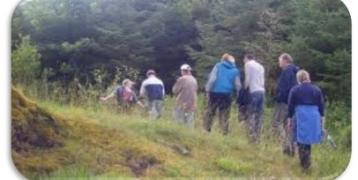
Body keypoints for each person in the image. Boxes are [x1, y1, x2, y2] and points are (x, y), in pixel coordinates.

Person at [287, 70, 325, 171]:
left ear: (298, 79)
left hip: (301, 115)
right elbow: (321, 106)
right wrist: (322, 121)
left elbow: (290, 106)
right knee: (307, 141)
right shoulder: (316, 89)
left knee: (301, 140)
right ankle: (306, 163)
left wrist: (289, 119)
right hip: (313, 117)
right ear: (308, 77)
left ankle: (304, 164)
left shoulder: (295, 89)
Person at [204, 53, 241, 135]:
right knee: (225, 114)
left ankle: (207, 130)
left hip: (215, 92)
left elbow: (212, 79)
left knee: (210, 112)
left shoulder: (218, 66)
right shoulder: (235, 70)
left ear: (223, 59)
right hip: (227, 94)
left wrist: (207, 89)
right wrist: (238, 95)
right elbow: (238, 85)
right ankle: (224, 132)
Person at [271, 53, 299, 156]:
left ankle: (286, 146)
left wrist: (278, 97)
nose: (279, 62)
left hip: (284, 102)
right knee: (288, 125)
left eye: (280, 60)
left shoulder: (287, 71)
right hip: (292, 103)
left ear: (285, 60)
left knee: (276, 123)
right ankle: (292, 149)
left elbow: (285, 87)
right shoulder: (295, 71)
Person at [243, 54, 265, 143]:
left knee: (251, 113)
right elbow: (263, 80)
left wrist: (245, 88)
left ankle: (251, 136)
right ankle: (258, 136)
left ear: (247, 58)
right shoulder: (261, 66)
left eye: (244, 59)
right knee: (259, 115)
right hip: (262, 91)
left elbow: (248, 78)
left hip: (254, 91)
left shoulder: (248, 65)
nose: (244, 61)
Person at [172, 64, 198, 128]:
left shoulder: (182, 79)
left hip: (181, 101)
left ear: (183, 71)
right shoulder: (194, 79)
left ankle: (180, 134)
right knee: (190, 120)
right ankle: (190, 134)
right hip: (192, 103)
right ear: (189, 71)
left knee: (178, 119)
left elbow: (175, 90)